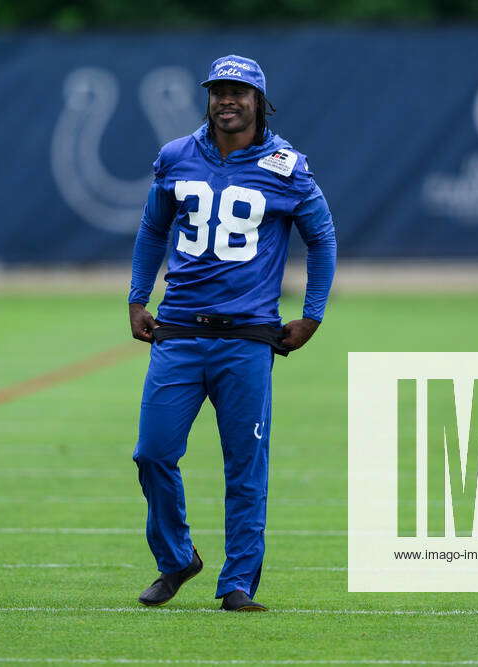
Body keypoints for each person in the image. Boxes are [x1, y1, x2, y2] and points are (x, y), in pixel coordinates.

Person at [127, 54, 336, 611]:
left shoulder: (286, 166)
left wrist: (312, 314)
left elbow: (322, 238)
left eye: (239, 92)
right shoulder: (176, 156)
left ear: (259, 101)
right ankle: (177, 559)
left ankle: (238, 583)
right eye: (219, 90)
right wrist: (136, 297)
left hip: (247, 338)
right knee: (152, 453)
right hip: (178, 331)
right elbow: (152, 229)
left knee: (245, 465)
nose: (228, 100)